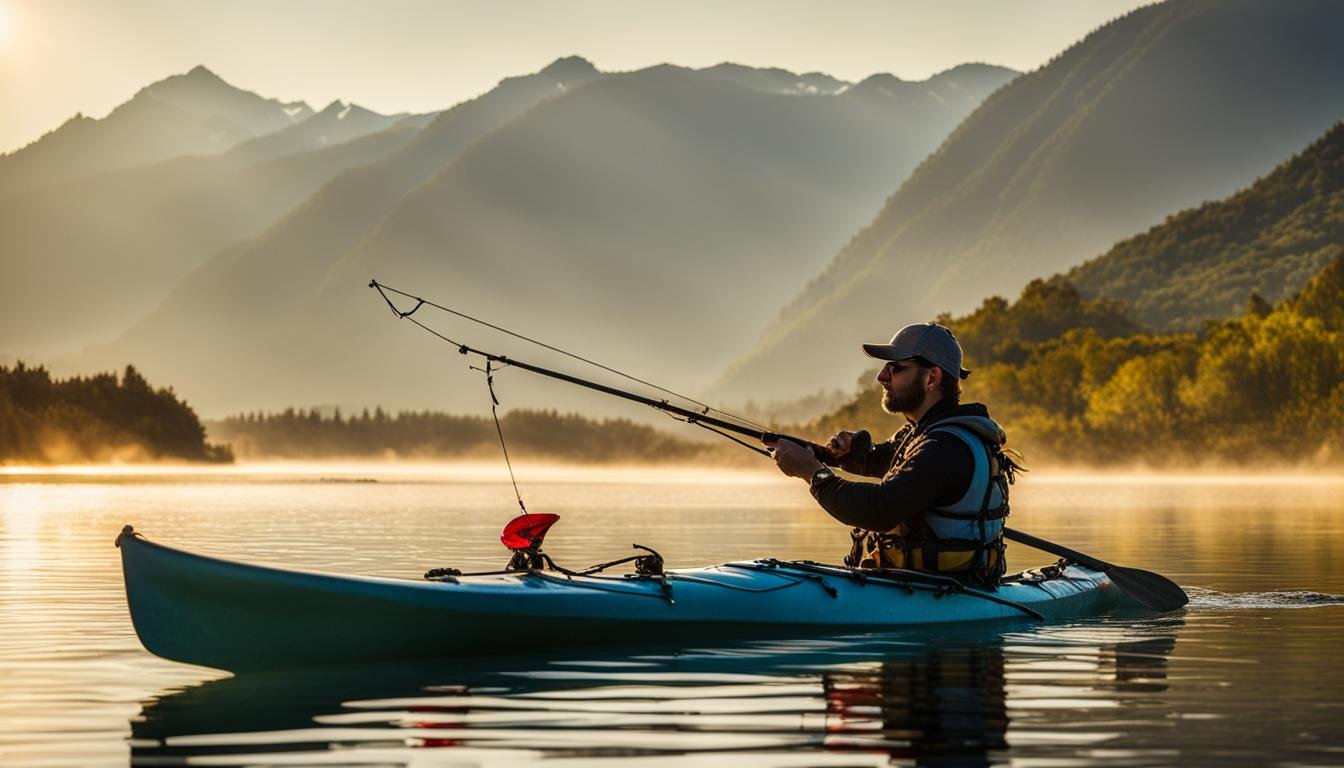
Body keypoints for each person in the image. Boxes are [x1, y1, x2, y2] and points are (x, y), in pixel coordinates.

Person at [766, 322, 1019, 585]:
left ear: (931, 378)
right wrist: (836, 455)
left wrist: (811, 472)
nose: (881, 377)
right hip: (925, 586)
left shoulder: (943, 447)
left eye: (896, 368)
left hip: (937, 592)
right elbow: (882, 459)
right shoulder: (922, 434)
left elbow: (880, 509)